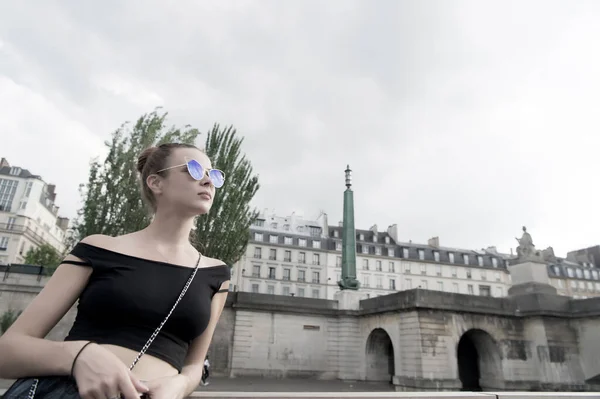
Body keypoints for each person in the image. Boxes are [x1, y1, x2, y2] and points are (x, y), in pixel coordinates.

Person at [0, 143, 230, 399]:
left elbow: (194, 366)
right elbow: (8, 351)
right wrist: (79, 355)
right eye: (195, 170)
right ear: (156, 182)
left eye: (215, 174)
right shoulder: (98, 248)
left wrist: (179, 385)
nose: (209, 181)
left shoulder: (215, 274)